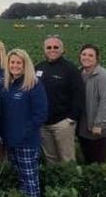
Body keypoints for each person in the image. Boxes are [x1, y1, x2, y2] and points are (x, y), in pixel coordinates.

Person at [1, 49, 48, 197]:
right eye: (12, 62)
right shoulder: (8, 85)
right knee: (19, 177)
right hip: (10, 141)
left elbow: (40, 114)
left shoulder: (33, 85)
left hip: (26, 142)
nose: (14, 66)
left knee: (30, 178)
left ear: (25, 65)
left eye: (18, 63)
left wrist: (24, 133)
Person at [35, 36, 84, 164]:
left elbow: (79, 95)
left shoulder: (70, 69)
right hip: (43, 124)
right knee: (51, 158)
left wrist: (71, 119)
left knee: (67, 158)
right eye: (49, 47)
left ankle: (72, 183)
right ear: (44, 50)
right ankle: (56, 182)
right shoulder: (39, 68)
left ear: (62, 50)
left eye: (56, 47)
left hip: (62, 124)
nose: (52, 50)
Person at [78, 44, 106, 164]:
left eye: (91, 55)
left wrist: (99, 124)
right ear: (80, 56)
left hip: (100, 124)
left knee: (98, 156)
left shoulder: (104, 76)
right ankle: (89, 172)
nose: (87, 57)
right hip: (84, 122)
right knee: (87, 152)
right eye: (84, 54)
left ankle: (99, 175)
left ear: (97, 58)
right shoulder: (79, 73)